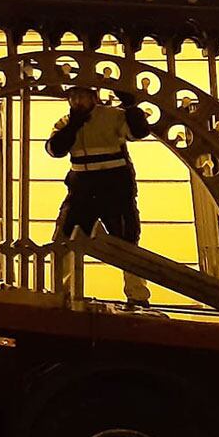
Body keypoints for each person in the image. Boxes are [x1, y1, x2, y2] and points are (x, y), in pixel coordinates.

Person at [47, 86, 154, 308]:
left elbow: (138, 133)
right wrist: (73, 126)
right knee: (64, 240)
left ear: (94, 97)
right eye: (73, 97)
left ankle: (138, 296)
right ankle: (60, 293)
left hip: (113, 189)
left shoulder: (113, 116)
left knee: (127, 242)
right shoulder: (66, 122)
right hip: (81, 191)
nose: (77, 101)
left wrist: (131, 108)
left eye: (82, 96)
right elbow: (54, 149)